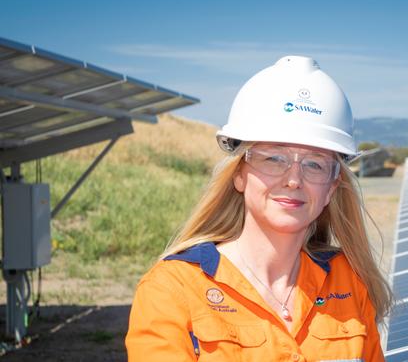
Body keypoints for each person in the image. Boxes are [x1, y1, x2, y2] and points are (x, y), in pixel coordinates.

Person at [125, 55, 393, 361]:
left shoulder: (348, 279)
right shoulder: (172, 290)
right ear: (238, 174)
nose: (294, 180)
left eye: (315, 164)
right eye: (273, 158)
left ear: (332, 187)